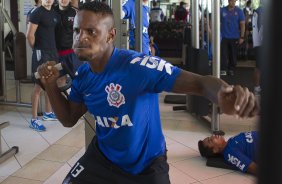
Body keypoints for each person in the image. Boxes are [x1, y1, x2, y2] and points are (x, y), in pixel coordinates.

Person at [37, 2, 259, 183]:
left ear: (111, 35)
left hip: (146, 165)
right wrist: (50, 86)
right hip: (103, 158)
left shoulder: (139, 67)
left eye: (91, 31)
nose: (80, 38)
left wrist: (221, 95)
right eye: (77, 30)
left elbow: (200, 83)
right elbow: (68, 118)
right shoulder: (84, 75)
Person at [26, 0, 58, 132]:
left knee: (50, 83)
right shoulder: (36, 13)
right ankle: (34, 119)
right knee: (39, 86)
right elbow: (29, 35)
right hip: (41, 53)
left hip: (52, 52)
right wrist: (38, 49)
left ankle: (48, 113)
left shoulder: (54, 13)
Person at [54, 0, 82, 79]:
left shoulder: (75, 12)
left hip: (72, 54)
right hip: (56, 54)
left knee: (77, 79)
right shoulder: (52, 11)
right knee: (59, 80)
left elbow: (80, 32)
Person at [220, 0, 245, 76]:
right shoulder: (222, 10)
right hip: (224, 36)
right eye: (232, 1)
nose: (233, 3)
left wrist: (242, 36)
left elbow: (242, 24)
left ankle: (231, 69)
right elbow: (217, 22)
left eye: (235, 1)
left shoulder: (239, 11)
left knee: (233, 55)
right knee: (223, 54)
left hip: (234, 37)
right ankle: (223, 69)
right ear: (228, 1)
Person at [252, 4, 263, 96]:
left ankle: (257, 89)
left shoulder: (257, 11)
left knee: (259, 67)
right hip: (262, 44)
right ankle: (257, 89)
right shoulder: (260, 11)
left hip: (259, 44)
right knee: (259, 68)